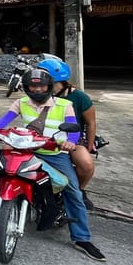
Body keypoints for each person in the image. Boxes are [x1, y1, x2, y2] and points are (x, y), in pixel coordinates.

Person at [0, 68, 106, 262]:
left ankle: (82, 238)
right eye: (33, 85)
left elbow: (73, 129)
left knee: (72, 190)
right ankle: (4, 212)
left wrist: (70, 142)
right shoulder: (20, 102)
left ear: (48, 87)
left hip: (54, 153)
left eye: (41, 86)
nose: (37, 89)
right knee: (6, 171)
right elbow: (6, 119)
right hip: (27, 149)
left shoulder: (64, 105)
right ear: (26, 87)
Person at [38, 58, 98, 210]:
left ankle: (78, 190)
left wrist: (89, 146)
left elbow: (91, 123)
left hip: (73, 139)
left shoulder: (79, 97)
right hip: (45, 136)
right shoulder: (39, 94)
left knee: (86, 165)